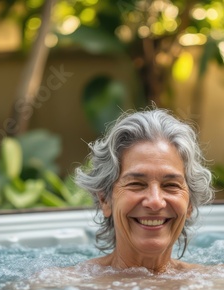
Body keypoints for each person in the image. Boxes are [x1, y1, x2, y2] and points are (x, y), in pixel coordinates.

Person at [75, 108, 214, 274]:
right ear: (105, 200)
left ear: (189, 203)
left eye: (171, 185)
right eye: (136, 184)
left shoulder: (220, 283)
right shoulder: (64, 284)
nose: (155, 201)